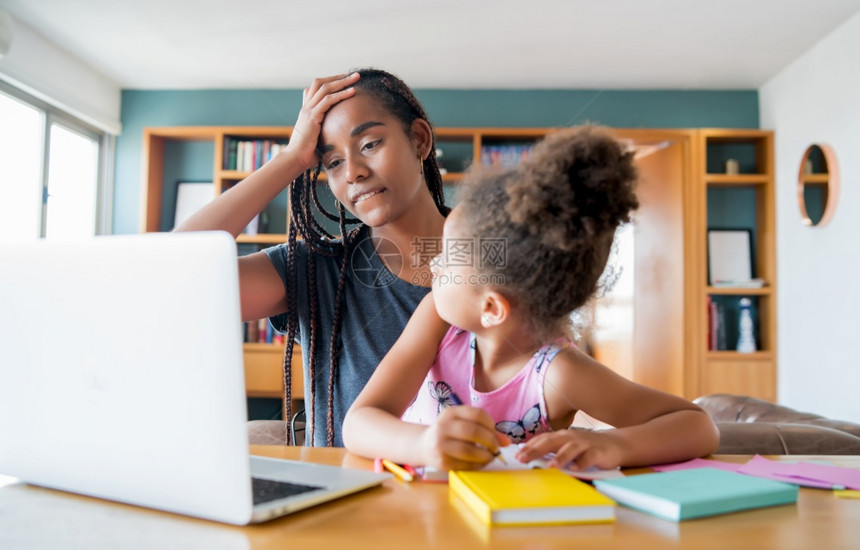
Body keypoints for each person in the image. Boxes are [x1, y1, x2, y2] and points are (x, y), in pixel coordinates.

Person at [342, 126, 720, 471]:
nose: (436, 263)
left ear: (491, 308)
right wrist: (424, 444)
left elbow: (698, 426)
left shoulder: (559, 373)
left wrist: (615, 444)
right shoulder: (436, 322)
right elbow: (359, 423)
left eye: (450, 258)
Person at [176, 69, 449, 446]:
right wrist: (290, 159)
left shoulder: (495, 256)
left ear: (419, 139)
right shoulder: (315, 265)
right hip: (344, 495)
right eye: (333, 162)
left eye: (369, 144)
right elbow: (176, 273)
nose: (353, 172)